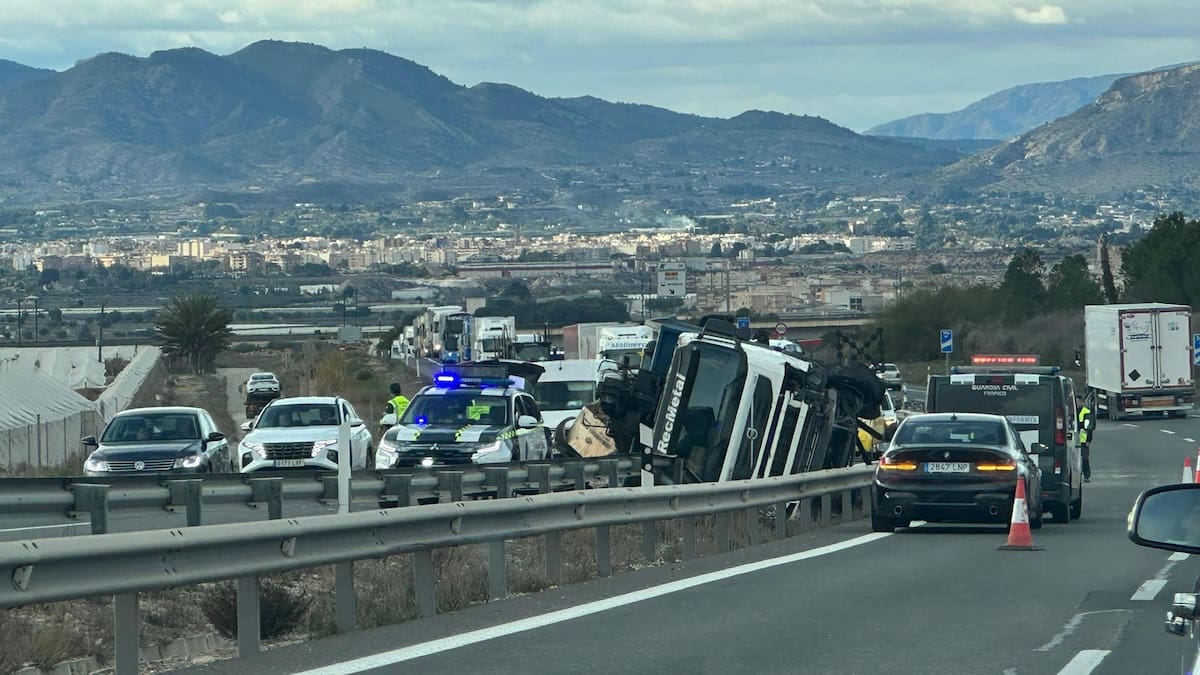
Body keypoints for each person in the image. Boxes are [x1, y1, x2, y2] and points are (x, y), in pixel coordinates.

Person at [1077, 394, 1095, 482]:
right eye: (1076, 401)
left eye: (1079, 401)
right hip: (1073, 439)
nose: (1077, 403)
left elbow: (1090, 427)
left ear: (1082, 402)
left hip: (1084, 440)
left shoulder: (1086, 411)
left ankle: (1086, 475)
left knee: (1084, 458)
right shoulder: (1071, 410)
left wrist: (1089, 440)